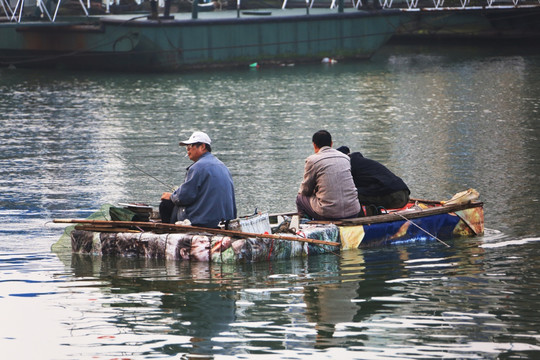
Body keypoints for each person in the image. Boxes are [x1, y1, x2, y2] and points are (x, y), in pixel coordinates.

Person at [160, 131, 237, 228]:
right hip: (226, 221)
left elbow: (184, 197)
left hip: (205, 222)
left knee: (165, 205)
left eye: (190, 146)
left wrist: (171, 196)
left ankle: (168, 232)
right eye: (186, 147)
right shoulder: (222, 166)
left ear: (202, 147)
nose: (188, 150)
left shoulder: (197, 167)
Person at [296, 130, 361, 220]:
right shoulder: (345, 157)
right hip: (353, 212)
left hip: (328, 215)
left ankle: (305, 223)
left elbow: (305, 190)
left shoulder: (313, 160)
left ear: (314, 145)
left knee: (300, 198)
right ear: (331, 143)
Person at [336, 146, 410, 213]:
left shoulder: (349, 165)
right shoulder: (363, 163)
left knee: (350, 194)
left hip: (394, 197)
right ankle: (375, 214)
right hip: (405, 195)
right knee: (361, 192)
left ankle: (362, 220)